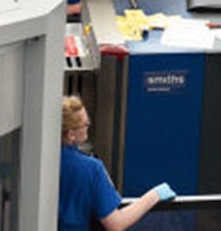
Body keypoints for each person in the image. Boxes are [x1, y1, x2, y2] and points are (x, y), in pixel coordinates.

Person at [59, 96, 164, 231]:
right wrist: (155, 195)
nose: (88, 126)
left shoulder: (35, 161)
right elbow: (115, 223)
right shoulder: (91, 168)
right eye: (85, 124)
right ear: (71, 135)